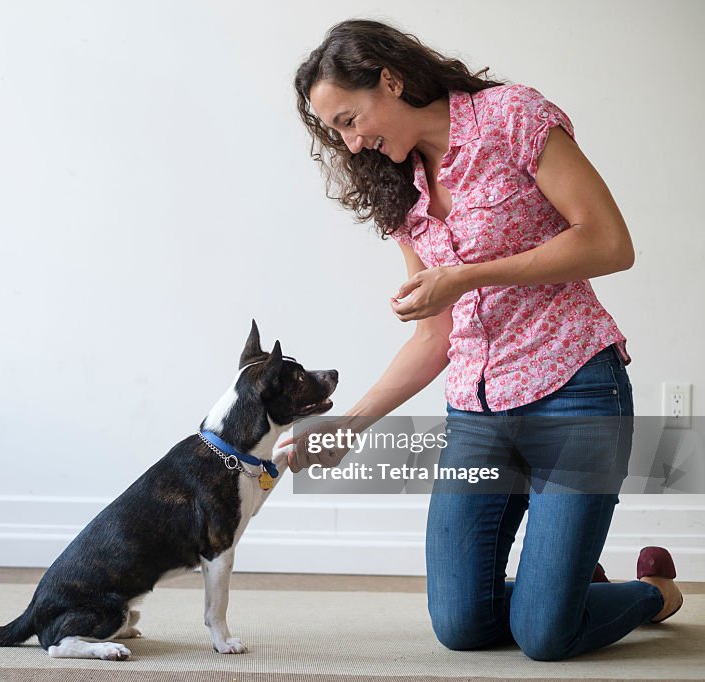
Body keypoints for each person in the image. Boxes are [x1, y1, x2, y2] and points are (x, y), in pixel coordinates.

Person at [279, 19, 683, 661]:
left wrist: (466, 277)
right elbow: (435, 334)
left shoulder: (512, 117)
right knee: (463, 627)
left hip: (574, 391)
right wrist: (350, 425)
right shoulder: (400, 191)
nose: (352, 145)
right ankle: (565, 582)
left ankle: (653, 591)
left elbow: (609, 241)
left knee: (545, 637)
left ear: (391, 78)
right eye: (338, 134)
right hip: (477, 418)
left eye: (351, 120)